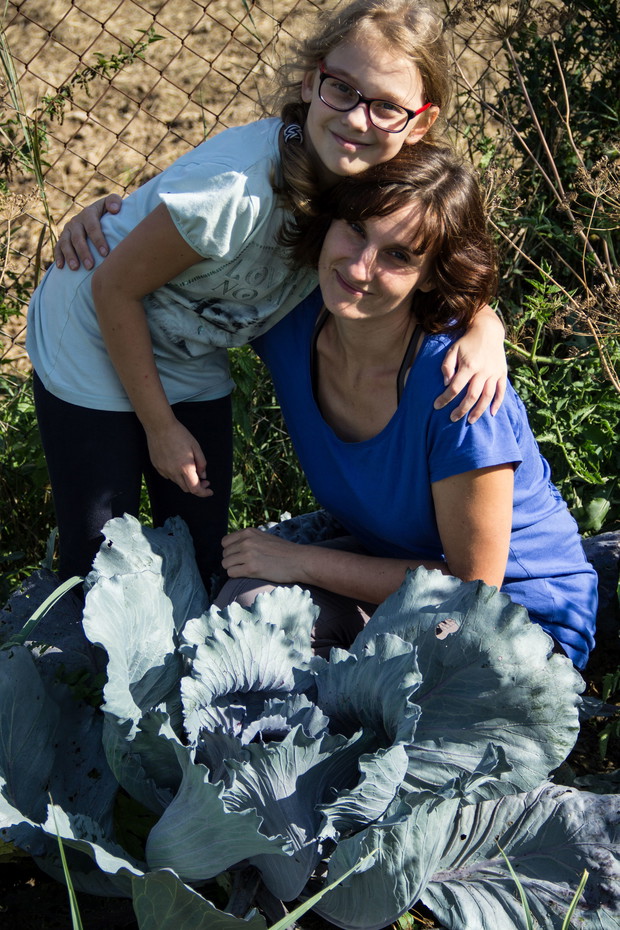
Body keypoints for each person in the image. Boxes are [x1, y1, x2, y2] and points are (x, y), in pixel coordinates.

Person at [29, 0, 506, 585]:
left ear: (421, 122)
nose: (359, 119)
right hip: (95, 326)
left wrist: (485, 326)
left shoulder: (368, 180)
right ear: (310, 81)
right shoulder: (236, 192)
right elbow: (114, 286)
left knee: (203, 549)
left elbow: (430, 254)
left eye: (387, 106)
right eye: (342, 90)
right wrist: (159, 427)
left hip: (187, 345)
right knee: (99, 554)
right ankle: (84, 667)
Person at [215, 143, 598, 670]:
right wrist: (111, 226)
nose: (359, 265)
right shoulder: (292, 322)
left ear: (432, 276)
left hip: (516, 622)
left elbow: (473, 589)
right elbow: (174, 278)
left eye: (398, 255)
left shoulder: (458, 390)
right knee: (248, 607)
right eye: (355, 227)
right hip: (399, 576)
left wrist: (299, 560)